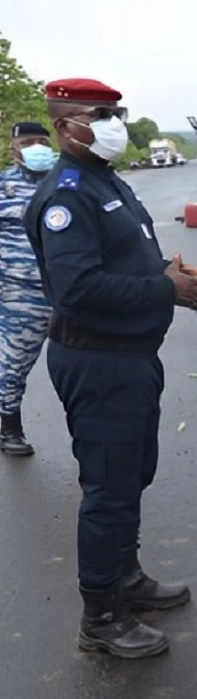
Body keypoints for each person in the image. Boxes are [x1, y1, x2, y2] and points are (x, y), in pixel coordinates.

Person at [23, 78, 197, 658]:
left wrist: (171, 281)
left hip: (131, 358)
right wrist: (163, 288)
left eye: (118, 112)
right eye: (100, 114)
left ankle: (125, 578)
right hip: (98, 360)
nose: (114, 123)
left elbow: (130, 261)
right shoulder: (66, 195)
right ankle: (101, 617)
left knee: (132, 475)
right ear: (65, 127)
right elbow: (76, 286)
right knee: (108, 487)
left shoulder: (107, 181)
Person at [0, 123, 56, 456]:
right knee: (14, 362)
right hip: (21, 293)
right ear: (14, 149)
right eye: (28, 142)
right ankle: (9, 428)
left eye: (41, 141)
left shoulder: (66, 181)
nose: (36, 147)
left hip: (70, 290)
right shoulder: (2, 186)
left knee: (84, 362)